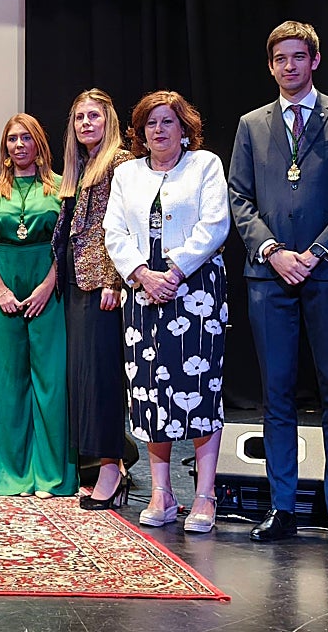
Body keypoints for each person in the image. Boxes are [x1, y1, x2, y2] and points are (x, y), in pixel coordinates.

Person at [228, 21, 328, 550]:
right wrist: (272, 251)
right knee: (277, 395)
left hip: (326, 273)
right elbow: (240, 197)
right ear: (271, 66)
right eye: (280, 58)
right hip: (269, 277)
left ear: (315, 60)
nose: (290, 66)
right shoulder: (251, 124)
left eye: (298, 57)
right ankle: (282, 507)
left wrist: (314, 253)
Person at [104, 91, 229, 533]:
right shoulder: (127, 174)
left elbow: (215, 225)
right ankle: (162, 492)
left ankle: (205, 495)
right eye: (151, 123)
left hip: (195, 288)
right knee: (150, 392)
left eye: (168, 121)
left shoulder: (205, 165)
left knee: (199, 389)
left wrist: (173, 272)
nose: (159, 130)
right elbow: (114, 231)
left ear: (184, 128)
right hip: (143, 291)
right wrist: (142, 274)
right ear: (141, 132)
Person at [0, 113, 77, 498]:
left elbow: (69, 241)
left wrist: (49, 285)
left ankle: (51, 476)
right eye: (13, 139)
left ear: (39, 144)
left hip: (48, 285)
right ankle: (13, 475)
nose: (19, 145)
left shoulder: (61, 187)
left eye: (26, 138)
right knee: (7, 382)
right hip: (3, 288)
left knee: (51, 382)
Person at [53, 90, 133, 509]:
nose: (86, 123)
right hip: (75, 283)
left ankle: (111, 470)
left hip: (102, 285)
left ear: (109, 120)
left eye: (94, 116)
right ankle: (106, 464)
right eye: (80, 117)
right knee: (84, 378)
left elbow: (122, 228)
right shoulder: (79, 166)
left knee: (102, 379)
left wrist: (114, 281)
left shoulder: (120, 163)